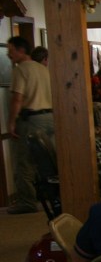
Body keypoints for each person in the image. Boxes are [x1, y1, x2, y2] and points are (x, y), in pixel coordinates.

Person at [6, 36, 54, 213]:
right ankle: (53, 196)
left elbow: (17, 98)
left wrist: (11, 122)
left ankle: (27, 202)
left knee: (25, 162)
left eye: (11, 50)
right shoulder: (42, 69)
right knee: (49, 160)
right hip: (50, 117)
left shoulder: (21, 70)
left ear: (21, 50)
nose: (8, 54)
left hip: (32, 119)